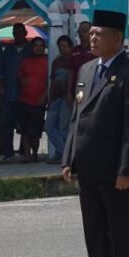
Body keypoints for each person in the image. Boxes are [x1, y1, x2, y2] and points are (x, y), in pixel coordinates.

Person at [62, 10, 129, 257]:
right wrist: (69, 158)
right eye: (91, 33)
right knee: (94, 229)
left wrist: (127, 170)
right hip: (88, 166)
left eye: (99, 34)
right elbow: (77, 118)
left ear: (117, 38)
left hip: (116, 171)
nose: (93, 38)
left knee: (118, 230)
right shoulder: (87, 69)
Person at [0, 23, 29, 163]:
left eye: (20, 32)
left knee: (24, 125)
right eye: (15, 33)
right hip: (8, 93)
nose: (18, 35)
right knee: (5, 123)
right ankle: (7, 152)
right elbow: (0, 71)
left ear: (25, 33)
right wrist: (0, 88)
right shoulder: (8, 50)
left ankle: (24, 152)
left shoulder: (30, 49)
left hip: (25, 94)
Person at [18, 36, 49, 162]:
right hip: (24, 100)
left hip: (39, 101)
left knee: (35, 131)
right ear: (32, 47)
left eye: (40, 45)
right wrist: (22, 80)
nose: (38, 48)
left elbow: (50, 81)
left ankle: (35, 153)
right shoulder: (26, 61)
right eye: (36, 45)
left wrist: (45, 95)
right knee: (24, 130)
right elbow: (19, 75)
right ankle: (27, 155)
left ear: (44, 47)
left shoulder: (48, 61)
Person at [45, 35, 75, 164]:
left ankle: (62, 155)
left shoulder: (73, 60)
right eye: (60, 47)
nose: (62, 49)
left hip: (66, 98)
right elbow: (52, 81)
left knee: (63, 127)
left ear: (70, 47)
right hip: (55, 97)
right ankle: (64, 152)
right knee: (49, 126)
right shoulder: (56, 62)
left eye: (64, 46)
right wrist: (50, 97)